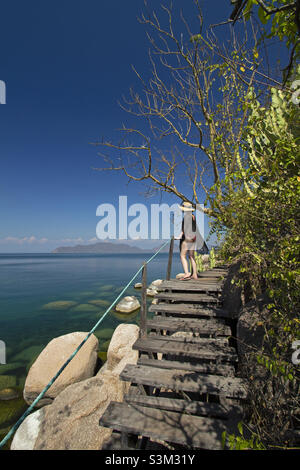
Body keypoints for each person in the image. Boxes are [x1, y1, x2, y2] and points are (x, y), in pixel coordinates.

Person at [175, 201, 200, 280]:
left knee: (182, 255)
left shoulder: (186, 217)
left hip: (188, 238)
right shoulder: (193, 216)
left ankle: (187, 273)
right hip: (194, 238)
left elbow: (184, 230)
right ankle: (194, 274)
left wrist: (179, 236)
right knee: (191, 256)